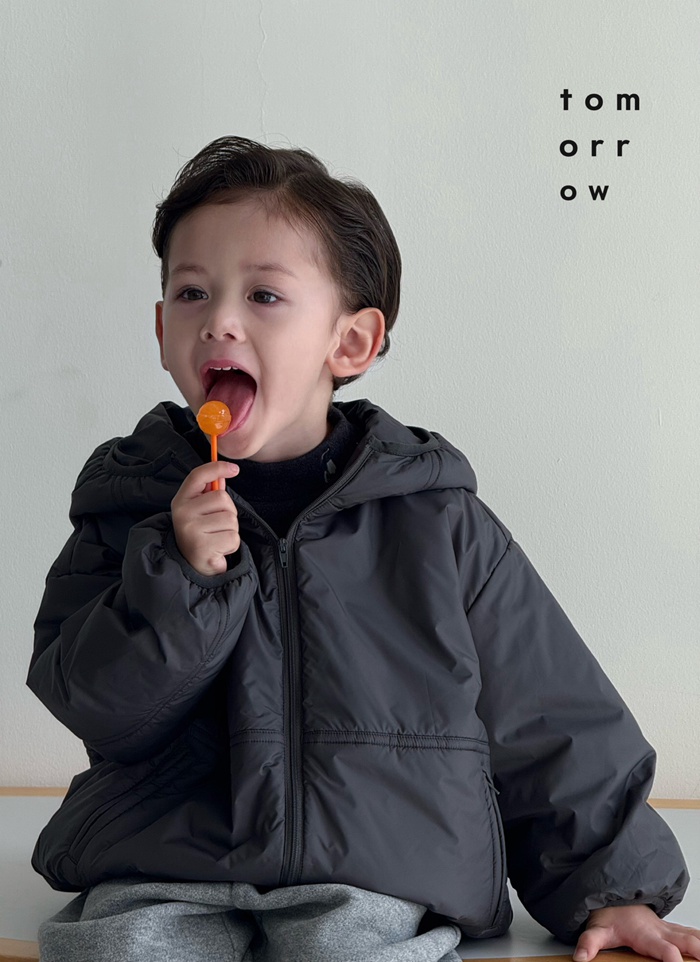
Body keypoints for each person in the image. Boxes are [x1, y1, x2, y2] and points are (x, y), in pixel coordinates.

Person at [27, 135, 698, 962]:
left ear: (350, 343)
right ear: (164, 329)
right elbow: (91, 701)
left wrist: (614, 889)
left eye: (264, 295)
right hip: (164, 863)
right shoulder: (129, 507)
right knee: (118, 949)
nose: (220, 321)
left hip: (374, 870)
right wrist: (179, 578)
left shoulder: (438, 522)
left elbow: (551, 712)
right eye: (193, 292)